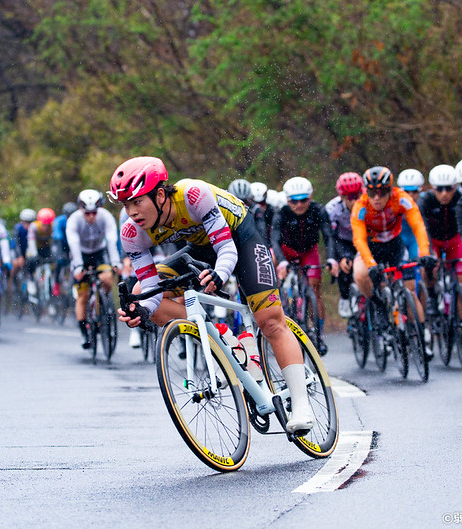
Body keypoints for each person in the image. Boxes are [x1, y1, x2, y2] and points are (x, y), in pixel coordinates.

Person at [112, 156, 314, 433]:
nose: (132, 212)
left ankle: (301, 405)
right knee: (138, 292)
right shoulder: (132, 232)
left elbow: (226, 249)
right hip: (201, 248)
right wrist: (143, 309)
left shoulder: (193, 195)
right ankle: (223, 337)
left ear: (159, 195)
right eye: (126, 205)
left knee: (269, 320)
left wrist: (220, 273)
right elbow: (149, 287)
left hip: (240, 238)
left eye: (137, 202)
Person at [350, 166, 436, 358]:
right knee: (360, 275)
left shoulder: (401, 198)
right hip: (371, 247)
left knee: (410, 289)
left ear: (390, 190)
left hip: (395, 246)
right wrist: (371, 264)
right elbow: (359, 240)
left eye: (382, 192)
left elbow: (418, 226)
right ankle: (377, 304)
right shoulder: (360, 206)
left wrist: (424, 253)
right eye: (372, 192)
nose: (376, 198)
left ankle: (422, 335)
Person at [271, 176, 339, 355]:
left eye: (303, 200)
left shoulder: (318, 210)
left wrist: (332, 259)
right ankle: (277, 301)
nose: (299, 205)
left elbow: (328, 236)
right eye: (294, 201)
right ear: (287, 200)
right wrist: (282, 262)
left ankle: (319, 334)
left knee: (315, 289)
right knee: (272, 262)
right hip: (287, 250)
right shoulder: (282, 213)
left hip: (308, 251)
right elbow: (275, 240)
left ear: (310, 198)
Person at [67, 189, 121, 350]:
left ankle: (104, 305)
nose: (91, 216)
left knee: (107, 278)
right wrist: (78, 266)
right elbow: (73, 244)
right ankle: (84, 332)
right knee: (83, 295)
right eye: (87, 213)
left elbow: (111, 240)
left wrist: (115, 262)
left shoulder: (106, 216)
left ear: (99, 208)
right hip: (81, 255)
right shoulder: (74, 220)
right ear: (80, 209)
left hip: (99, 253)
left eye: (94, 213)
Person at [418, 164, 462, 304]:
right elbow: (423, 229)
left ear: (455, 187)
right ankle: (432, 298)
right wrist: (429, 253)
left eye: (449, 188)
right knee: (428, 266)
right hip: (433, 240)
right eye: (439, 189)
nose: (444, 193)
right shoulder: (425, 201)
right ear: (432, 187)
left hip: (454, 240)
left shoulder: (460, 198)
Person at [325, 172, 363, 318]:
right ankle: (345, 296)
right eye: (350, 197)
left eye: (358, 196)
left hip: (364, 238)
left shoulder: (369, 203)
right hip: (343, 241)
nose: (355, 201)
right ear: (342, 197)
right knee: (345, 266)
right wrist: (341, 257)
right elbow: (331, 237)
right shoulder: (332, 209)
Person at [395, 169, 424, 263]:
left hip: (415, 239)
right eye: (406, 192)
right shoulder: (394, 203)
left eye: (414, 191)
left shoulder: (424, 201)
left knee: (420, 262)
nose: (410, 195)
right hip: (399, 238)